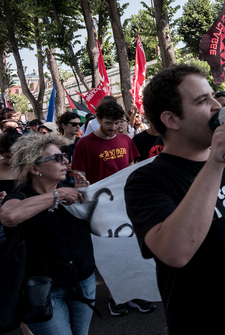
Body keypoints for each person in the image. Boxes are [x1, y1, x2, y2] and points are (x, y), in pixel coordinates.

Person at [125, 64, 225, 333]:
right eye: (203, 100)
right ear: (172, 120)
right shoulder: (147, 181)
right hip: (207, 322)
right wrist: (216, 161)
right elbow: (175, 252)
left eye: (213, 96)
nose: (217, 105)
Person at [0, 134, 95, 335]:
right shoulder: (20, 195)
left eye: (64, 156)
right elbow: (9, 216)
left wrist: (85, 199)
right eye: (57, 158)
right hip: (44, 292)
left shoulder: (69, 190)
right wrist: (57, 195)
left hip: (83, 282)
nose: (65, 161)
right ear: (35, 169)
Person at [71, 100, 154, 316]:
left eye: (118, 123)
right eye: (108, 123)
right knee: (109, 253)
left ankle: (138, 294)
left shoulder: (126, 140)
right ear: (97, 119)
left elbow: (133, 168)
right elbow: (79, 178)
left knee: (133, 250)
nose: (113, 128)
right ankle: (115, 297)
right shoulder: (84, 144)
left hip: (127, 205)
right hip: (101, 209)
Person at [57, 112, 83, 186]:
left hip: (81, 182)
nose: (78, 127)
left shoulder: (82, 142)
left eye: (80, 124)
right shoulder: (55, 144)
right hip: (61, 184)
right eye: (74, 124)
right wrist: (65, 168)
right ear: (63, 125)